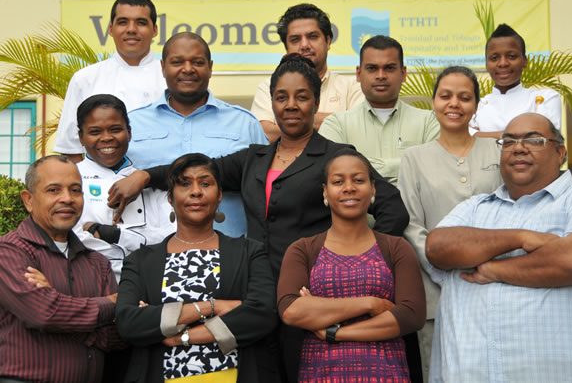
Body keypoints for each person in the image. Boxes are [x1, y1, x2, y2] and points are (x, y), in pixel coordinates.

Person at [109, 54, 409, 383]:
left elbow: (392, 208)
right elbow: (200, 172)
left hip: (311, 298)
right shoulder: (255, 157)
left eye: (302, 96)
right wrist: (145, 176)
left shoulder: (337, 156)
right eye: (281, 97)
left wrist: (357, 261)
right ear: (272, 103)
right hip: (257, 298)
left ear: (316, 101)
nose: (291, 105)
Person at [426, 113, 572, 383]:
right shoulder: (475, 207)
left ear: (560, 152)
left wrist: (494, 270)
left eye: (534, 140)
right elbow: (438, 247)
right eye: (508, 141)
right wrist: (522, 238)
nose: (518, 148)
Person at [116, 153, 279, 383]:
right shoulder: (140, 261)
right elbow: (129, 323)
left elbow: (262, 315)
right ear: (170, 198)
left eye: (205, 183)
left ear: (219, 195)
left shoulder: (250, 252)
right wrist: (212, 306)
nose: (196, 192)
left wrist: (181, 336)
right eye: (184, 184)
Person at [278, 148, 426, 382]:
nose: (349, 187)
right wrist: (370, 303)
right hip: (321, 375)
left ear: (373, 189)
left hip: (385, 375)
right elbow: (292, 311)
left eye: (358, 180)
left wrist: (334, 332)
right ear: (325, 192)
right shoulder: (303, 250)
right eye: (338, 182)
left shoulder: (396, 248)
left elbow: (411, 316)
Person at [397, 66, 502, 381]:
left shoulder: (499, 151)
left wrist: (492, 268)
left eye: (464, 97)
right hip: (436, 292)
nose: (454, 104)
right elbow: (411, 224)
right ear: (434, 102)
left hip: (494, 284)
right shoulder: (413, 158)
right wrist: (442, 270)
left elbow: (511, 212)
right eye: (446, 96)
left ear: (476, 105)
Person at [126, 32, 267, 238]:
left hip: (231, 248)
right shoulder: (133, 124)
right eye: (177, 62)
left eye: (197, 62)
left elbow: (265, 189)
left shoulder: (245, 124)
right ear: (163, 67)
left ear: (210, 67)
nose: (188, 69)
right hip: (149, 248)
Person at [0, 155, 122, 382]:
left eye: (75, 190)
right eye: (53, 190)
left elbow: (118, 336)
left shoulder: (97, 263)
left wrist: (58, 305)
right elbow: (43, 314)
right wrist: (112, 303)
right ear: (28, 200)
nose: (67, 199)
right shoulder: (9, 252)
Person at [55, 0, 166, 161]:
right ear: (110, 29)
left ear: (155, 30)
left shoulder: (172, 78)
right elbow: (71, 149)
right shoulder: (85, 79)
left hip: (164, 176)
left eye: (141, 22)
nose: (131, 29)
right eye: (123, 22)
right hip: (101, 177)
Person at [74, 94, 173, 281]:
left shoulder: (149, 183)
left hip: (148, 286)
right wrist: (141, 241)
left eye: (115, 129)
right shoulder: (71, 179)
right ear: (81, 137)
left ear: (129, 132)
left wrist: (115, 235)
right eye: (95, 132)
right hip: (90, 285)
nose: (106, 138)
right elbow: (73, 238)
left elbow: (171, 238)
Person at [319, 35, 440, 184]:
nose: (381, 76)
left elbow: (435, 169)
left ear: (403, 74)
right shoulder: (336, 125)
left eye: (389, 68)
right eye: (372, 68)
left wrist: (361, 168)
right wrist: (410, 164)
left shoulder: (429, 122)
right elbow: (334, 173)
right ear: (358, 74)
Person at [251, 3, 363, 142]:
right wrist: (337, 122)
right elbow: (266, 133)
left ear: (328, 41)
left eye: (312, 36)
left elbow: (357, 129)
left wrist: (291, 121)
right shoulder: (267, 87)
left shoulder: (352, 86)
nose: (304, 45)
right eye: (295, 39)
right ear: (286, 47)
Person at [470, 23, 562, 138]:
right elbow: (462, 139)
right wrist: (522, 135)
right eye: (494, 58)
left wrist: (479, 135)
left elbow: (545, 138)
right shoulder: (477, 106)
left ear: (525, 61)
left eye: (511, 56)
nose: (503, 63)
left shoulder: (545, 98)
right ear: (486, 64)